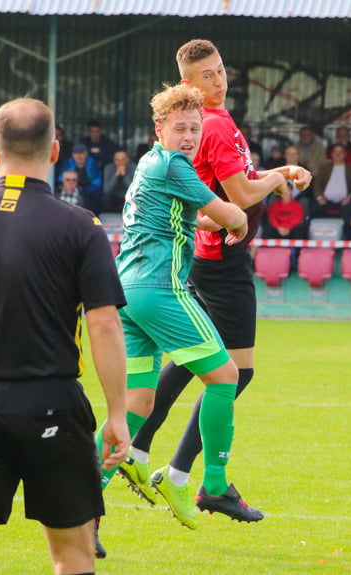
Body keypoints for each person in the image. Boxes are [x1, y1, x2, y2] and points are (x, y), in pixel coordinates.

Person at [0, 97, 128, 575]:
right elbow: (103, 323)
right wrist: (117, 414)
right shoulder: (83, 226)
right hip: (51, 406)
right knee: (72, 555)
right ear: (55, 152)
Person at [117, 39, 310, 534]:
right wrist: (276, 180)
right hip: (201, 270)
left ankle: (126, 463)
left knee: (184, 369)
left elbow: (197, 208)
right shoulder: (213, 128)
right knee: (230, 374)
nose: (219, 81)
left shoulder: (165, 151)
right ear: (187, 87)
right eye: (208, 76)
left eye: (222, 71)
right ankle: (201, 481)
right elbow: (237, 200)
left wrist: (244, 198)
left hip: (144, 279)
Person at [99, 82, 256, 546]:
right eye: (180, 127)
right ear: (160, 129)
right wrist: (239, 219)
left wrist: (218, 217)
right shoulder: (174, 164)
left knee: (137, 405)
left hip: (126, 292)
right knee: (227, 376)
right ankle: (210, 482)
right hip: (159, 290)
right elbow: (230, 212)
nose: (188, 136)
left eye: (195, 128)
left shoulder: (150, 163)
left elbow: (189, 216)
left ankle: (83, 504)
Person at [313, 143, 351, 218]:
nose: (338, 154)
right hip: (325, 201)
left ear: (345, 154)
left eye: (340, 152)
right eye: (335, 152)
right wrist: (320, 197)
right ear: (331, 154)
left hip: (345, 202)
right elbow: (317, 183)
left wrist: (350, 197)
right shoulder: (324, 168)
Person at [59, 143, 102, 215]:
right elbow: (61, 180)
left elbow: (97, 183)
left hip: (88, 192)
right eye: (76, 153)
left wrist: (83, 190)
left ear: (86, 154)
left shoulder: (92, 164)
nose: (79, 156)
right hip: (70, 190)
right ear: (73, 154)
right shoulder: (68, 163)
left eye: (82, 153)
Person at [102, 149, 136, 213]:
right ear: (114, 160)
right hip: (114, 195)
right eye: (117, 160)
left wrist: (124, 176)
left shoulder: (133, 168)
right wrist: (116, 176)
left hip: (128, 195)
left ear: (127, 159)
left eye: (123, 160)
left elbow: (134, 189)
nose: (120, 163)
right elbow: (106, 190)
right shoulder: (108, 168)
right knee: (105, 198)